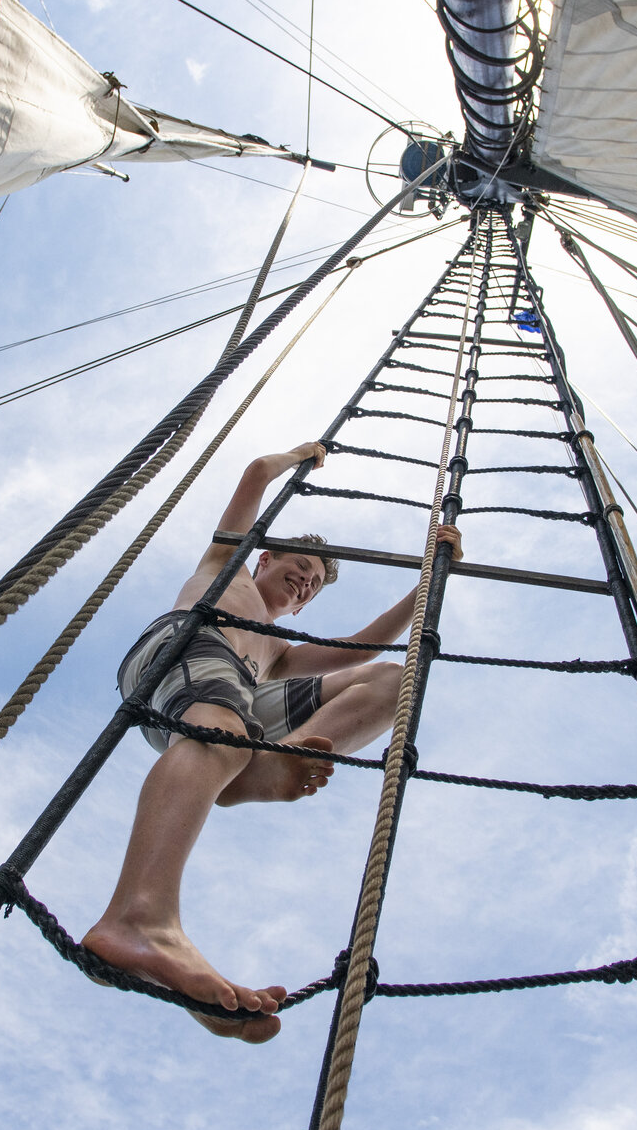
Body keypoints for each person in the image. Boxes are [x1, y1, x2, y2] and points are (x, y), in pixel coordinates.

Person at [84, 440, 461, 1044]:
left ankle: (265, 763)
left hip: (240, 690)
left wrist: (427, 582)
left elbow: (360, 652)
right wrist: (302, 456)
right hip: (189, 648)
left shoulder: (279, 652)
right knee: (225, 731)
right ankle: (139, 915)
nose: (304, 587)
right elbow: (257, 473)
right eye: (298, 570)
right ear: (263, 558)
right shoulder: (224, 566)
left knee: (393, 680)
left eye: (314, 587)